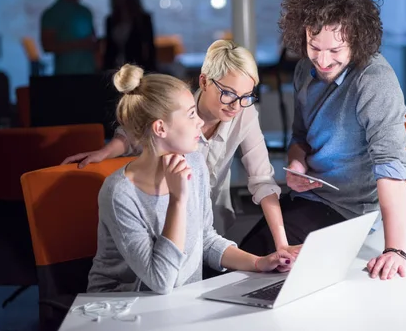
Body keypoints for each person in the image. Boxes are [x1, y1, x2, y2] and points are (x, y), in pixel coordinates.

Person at [239, 0, 406, 281]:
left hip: (350, 210)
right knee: (246, 256)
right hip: (310, 198)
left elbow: (391, 166)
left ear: (358, 40)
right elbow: (300, 137)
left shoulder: (373, 80)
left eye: (335, 50)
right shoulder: (303, 70)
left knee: (253, 268)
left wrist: (396, 249)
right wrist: (296, 163)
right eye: (314, 46)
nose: (322, 60)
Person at [63, 40, 299, 259]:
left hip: (212, 228)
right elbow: (139, 127)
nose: (236, 106)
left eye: (246, 96)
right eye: (228, 94)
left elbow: (261, 179)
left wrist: (282, 244)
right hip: (167, 225)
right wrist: (106, 151)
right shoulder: (178, 108)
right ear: (204, 81)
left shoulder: (244, 113)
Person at [87, 65, 295, 294]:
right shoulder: (120, 193)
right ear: (160, 128)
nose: (199, 122)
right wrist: (178, 199)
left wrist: (259, 263)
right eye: (190, 114)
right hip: (123, 309)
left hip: (179, 303)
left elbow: (205, 240)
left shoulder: (194, 163)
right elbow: (161, 281)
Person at [40, 0, 97, 75]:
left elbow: (93, 39)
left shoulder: (86, 12)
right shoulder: (53, 13)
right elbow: (47, 45)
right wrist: (79, 44)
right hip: (66, 74)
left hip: (89, 72)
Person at [101, 0, 156, 72]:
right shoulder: (111, 20)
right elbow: (109, 49)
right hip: (115, 68)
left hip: (137, 68)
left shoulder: (143, 19)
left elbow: (150, 47)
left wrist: (149, 69)